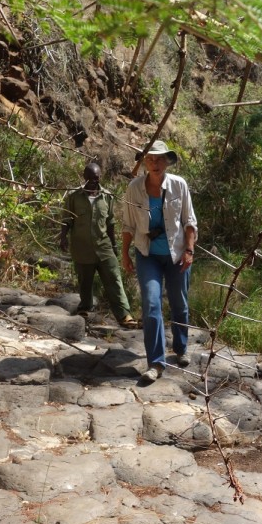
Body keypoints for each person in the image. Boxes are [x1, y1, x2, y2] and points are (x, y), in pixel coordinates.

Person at [121, 140, 197, 383]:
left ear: (166, 161)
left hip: (177, 255)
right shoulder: (134, 188)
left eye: (159, 159)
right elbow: (128, 224)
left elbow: (189, 221)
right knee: (152, 305)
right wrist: (124, 253)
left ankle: (181, 348)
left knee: (179, 303)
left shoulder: (179, 185)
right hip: (147, 255)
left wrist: (189, 250)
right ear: (145, 162)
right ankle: (155, 362)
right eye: (150, 159)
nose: (155, 163)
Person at [60, 163, 137, 328]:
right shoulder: (74, 196)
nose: (94, 181)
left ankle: (125, 315)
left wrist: (115, 246)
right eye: (90, 178)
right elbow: (67, 219)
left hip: (104, 247)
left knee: (114, 279)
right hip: (82, 247)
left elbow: (110, 223)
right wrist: (63, 237)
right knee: (84, 281)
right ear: (84, 177)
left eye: (96, 178)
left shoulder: (107, 196)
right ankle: (84, 310)